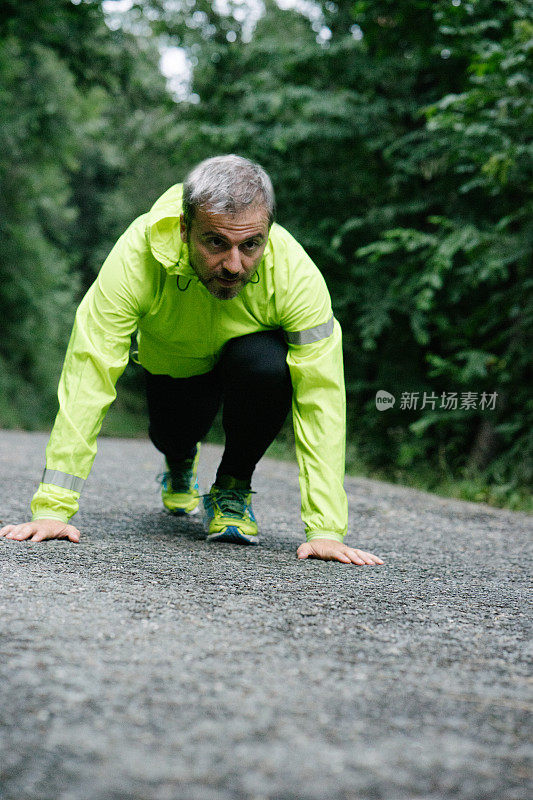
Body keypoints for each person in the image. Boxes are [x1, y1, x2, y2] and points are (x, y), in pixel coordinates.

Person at [0, 155, 383, 566]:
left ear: (268, 233)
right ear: (185, 229)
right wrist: (54, 508)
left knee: (268, 365)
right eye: (216, 242)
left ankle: (232, 486)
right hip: (175, 366)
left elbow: (321, 395)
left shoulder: (295, 276)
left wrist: (326, 529)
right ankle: (180, 460)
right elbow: (88, 374)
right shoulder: (135, 258)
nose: (234, 265)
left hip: (247, 363)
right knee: (173, 435)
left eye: (250, 245)